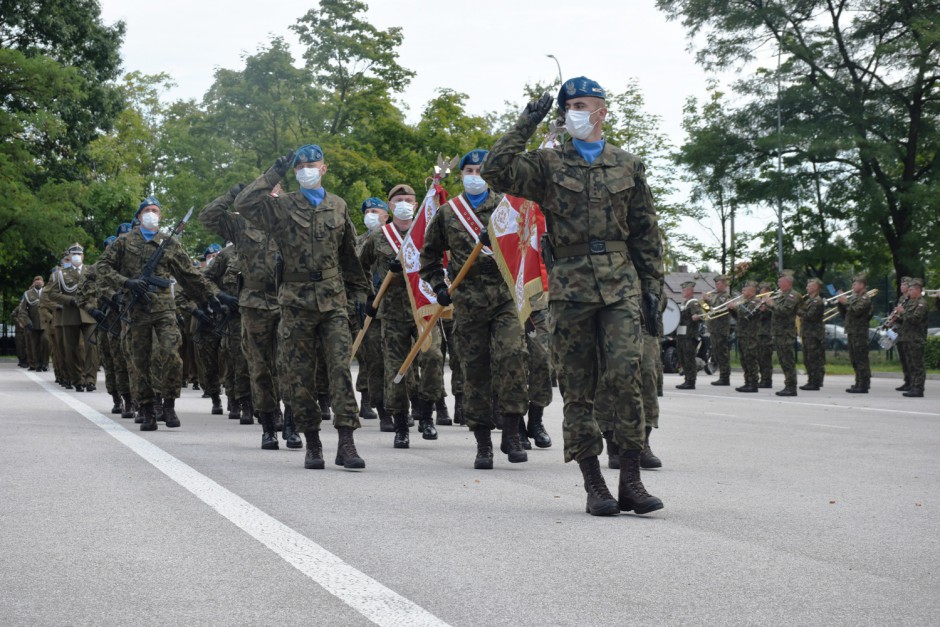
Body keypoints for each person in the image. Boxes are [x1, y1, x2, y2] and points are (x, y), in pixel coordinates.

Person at [481, 78, 664, 516]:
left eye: (582, 105)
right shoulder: (547, 164)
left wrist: (652, 287)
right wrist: (528, 121)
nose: (574, 112)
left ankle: (631, 480)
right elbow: (496, 171)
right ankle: (594, 483)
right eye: (568, 107)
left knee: (627, 377)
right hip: (571, 286)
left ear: (603, 110)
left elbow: (645, 232)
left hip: (621, 284)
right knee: (578, 387)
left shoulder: (628, 164)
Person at [235, 144, 371, 470]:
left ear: (324, 167)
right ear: (295, 172)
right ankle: (312, 442)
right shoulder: (282, 207)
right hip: (295, 303)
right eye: (301, 166)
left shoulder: (338, 206)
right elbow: (244, 203)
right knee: (299, 376)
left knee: (340, 370)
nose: (307, 169)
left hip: (333, 300)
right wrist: (274, 172)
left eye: (313, 163)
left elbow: (350, 257)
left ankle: (347, 443)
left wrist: (360, 297)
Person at [421, 150, 530, 469]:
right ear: (462, 175)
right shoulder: (448, 212)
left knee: (512, 357)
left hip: (504, 294)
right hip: (467, 296)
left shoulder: (506, 207)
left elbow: (526, 248)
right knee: (474, 369)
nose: (474, 175)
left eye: (479, 170)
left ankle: (511, 431)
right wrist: (439, 287)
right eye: (469, 170)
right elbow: (428, 257)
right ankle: (483, 443)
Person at [98, 196, 222, 430]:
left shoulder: (169, 242)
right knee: (139, 360)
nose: (152, 214)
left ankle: (168, 404)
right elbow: (102, 268)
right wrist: (127, 283)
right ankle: (146, 408)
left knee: (171, 354)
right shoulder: (124, 242)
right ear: (139, 216)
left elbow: (189, 275)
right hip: (137, 307)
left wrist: (211, 296)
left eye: (155, 210)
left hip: (165, 306)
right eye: (147, 210)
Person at [201, 184, 302, 449]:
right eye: (266, 190)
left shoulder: (292, 222)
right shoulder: (241, 223)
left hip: (287, 301)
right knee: (259, 368)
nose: (271, 195)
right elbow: (208, 216)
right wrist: (232, 195)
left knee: (290, 366)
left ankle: (291, 424)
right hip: (254, 304)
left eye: (276, 191)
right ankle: (268, 426)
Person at [361, 187, 446, 448]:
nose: (404, 204)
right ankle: (400, 423)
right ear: (390, 205)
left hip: (424, 309)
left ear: (416, 204)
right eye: (398, 201)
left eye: (408, 201)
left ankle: (427, 414)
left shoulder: (426, 233)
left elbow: (441, 261)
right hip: (392, 312)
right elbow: (358, 267)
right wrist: (368, 296)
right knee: (396, 367)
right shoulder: (378, 237)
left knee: (433, 359)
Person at [46, 244, 98, 392]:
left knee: (91, 347)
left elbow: (100, 289)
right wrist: (68, 300)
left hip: (89, 314)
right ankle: (78, 379)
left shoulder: (91, 271)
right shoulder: (61, 274)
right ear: (69, 256)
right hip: (70, 314)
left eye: (79, 254)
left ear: (83, 256)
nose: (77, 256)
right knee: (71, 349)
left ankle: (90, 379)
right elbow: (51, 293)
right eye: (74, 254)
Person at [763, 270, 802, 396]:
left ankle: (791, 387)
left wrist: (771, 303)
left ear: (787, 282)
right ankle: (788, 385)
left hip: (786, 332)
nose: (778, 283)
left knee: (788, 360)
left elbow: (785, 311)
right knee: (783, 360)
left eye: (780, 281)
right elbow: (776, 311)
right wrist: (767, 306)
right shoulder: (781, 295)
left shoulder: (793, 296)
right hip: (779, 332)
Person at [837, 273, 873, 393]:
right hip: (852, 331)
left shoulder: (864, 298)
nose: (853, 285)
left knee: (861, 358)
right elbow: (846, 315)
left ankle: (864, 384)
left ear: (862, 285)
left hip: (860, 332)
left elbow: (857, 311)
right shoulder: (853, 298)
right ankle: (858, 382)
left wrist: (846, 302)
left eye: (855, 283)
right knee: (854, 359)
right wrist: (840, 303)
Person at [893, 278, 928, 398]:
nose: (909, 291)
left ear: (918, 290)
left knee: (917, 365)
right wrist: (896, 317)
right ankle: (912, 386)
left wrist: (902, 312)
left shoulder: (921, 303)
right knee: (910, 364)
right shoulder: (909, 302)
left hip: (916, 338)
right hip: (907, 337)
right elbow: (905, 321)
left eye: (911, 289)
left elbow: (915, 319)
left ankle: (918, 388)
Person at [728, 280, 761, 392]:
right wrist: (731, 309)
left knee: (750, 359)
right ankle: (747, 382)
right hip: (742, 334)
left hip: (750, 335)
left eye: (745, 289)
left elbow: (747, 314)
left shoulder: (755, 301)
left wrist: (736, 306)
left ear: (752, 291)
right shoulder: (744, 302)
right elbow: (738, 317)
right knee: (744, 360)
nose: (742, 291)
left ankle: (753, 383)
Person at [798, 278, 826, 390]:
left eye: (809, 286)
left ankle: (814, 382)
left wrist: (796, 310)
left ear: (815, 288)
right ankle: (812, 381)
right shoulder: (809, 300)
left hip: (813, 334)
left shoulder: (817, 301)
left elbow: (810, 316)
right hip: (807, 333)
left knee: (813, 359)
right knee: (808, 358)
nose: (806, 287)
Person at [704, 275, 732, 385]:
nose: (716, 285)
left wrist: (708, 300)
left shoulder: (725, 296)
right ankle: (722, 376)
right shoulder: (715, 295)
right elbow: (709, 310)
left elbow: (719, 309)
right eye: (716, 283)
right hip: (714, 328)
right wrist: (705, 303)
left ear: (724, 285)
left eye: (719, 283)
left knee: (722, 353)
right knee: (717, 353)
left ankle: (725, 377)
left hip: (721, 329)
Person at [676, 280, 702, 389]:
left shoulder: (693, 302)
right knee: (683, 358)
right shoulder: (683, 303)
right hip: (682, 335)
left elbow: (699, 315)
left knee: (689, 359)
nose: (682, 291)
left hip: (689, 336)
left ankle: (691, 381)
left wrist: (696, 317)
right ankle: (687, 379)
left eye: (684, 289)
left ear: (690, 291)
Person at [894, 277, 913, 391]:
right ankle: (907, 380)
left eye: (905, 284)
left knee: (909, 358)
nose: (902, 286)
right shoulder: (902, 298)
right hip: (900, 331)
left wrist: (900, 314)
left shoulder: (912, 299)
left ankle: (912, 382)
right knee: (903, 358)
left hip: (908, 332)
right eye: (901, 284)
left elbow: (908, 315)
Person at [756, 281, 774, 388]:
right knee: (760, 358)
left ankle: (767, 380)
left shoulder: (772, 300)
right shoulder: (761, 301)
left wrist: (766, 309)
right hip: (759, 333)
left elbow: (774, 313)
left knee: (765, 358)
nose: (760, 292)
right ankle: (763, 379)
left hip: (767, 333)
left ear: (767, 291)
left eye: (761, 290)